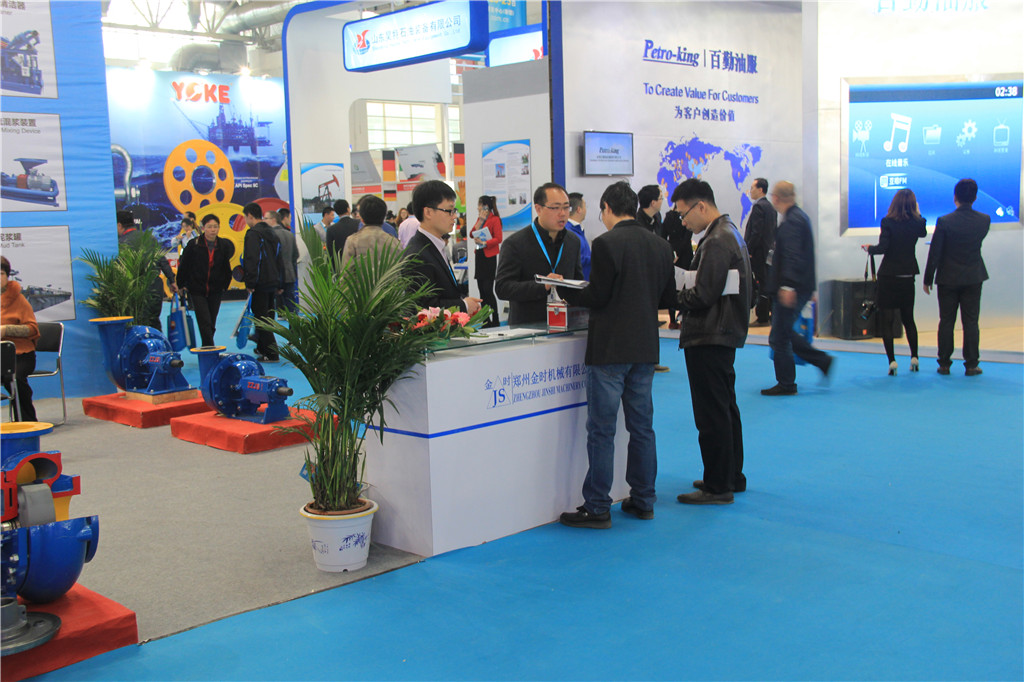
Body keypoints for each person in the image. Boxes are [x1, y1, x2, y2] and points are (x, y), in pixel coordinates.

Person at [557, 181, 675, 528]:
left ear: (607, 208)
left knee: (602, 430)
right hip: (645, 347)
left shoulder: (606, 243)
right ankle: (644, 499)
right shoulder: (661, 245)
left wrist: (566, 291)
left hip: (609, 348)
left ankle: (597, 506)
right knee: (642, 427)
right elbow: (668, 298)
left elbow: (598, 296)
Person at [672, 179, 752, 505]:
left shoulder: (717, 240)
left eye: (683, 214)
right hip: (721, 331)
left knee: (711, 413)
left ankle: (717, 485)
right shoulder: (728, 232)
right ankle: (730, 475)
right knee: (725, 406)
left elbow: (703, 294)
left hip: (709, 333)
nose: (683, 222)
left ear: (701, 206)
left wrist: (671, 295)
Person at [761, 181, 833, 395]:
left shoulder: (792, 221)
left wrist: (787, 286)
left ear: (776, 198)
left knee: (779, 336)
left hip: (792, 287)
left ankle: (787, 383)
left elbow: (792, 256)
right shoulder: (799, 217)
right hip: (798, 286)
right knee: (783, 332)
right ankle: (821, 361)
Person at [923, 178, 990, 376]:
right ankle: (971, 364)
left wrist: (928, 279)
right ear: (975, 197)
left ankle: (944, 364)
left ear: (955, 197)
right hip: (973, 277)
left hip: (948, 278)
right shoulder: (984, 220)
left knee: (946, 321)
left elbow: (935, 252)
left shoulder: (944, 221)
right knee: (971, 322)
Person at [494, 182, 583, 325]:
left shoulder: (573, 242)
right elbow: (502, 288)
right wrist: (543, 286)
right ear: (538, 209)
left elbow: (577, 281)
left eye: (566, 207)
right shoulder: (515, 243)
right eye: (555, 208)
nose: (562, 213)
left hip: (566, 325)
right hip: (527, 328)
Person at [861, 188, 927, 375]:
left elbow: (883, 248)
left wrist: (869, 248)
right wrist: (918, 213)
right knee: (909, 319)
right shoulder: (917, 223)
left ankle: (892, 362)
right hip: (907, 276)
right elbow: (922, 232)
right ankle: (914, 357)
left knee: (887, 321)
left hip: (889, 277)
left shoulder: (887, 222)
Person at [403, 180, 481, 314]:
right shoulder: (417, 254)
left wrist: (464, 301)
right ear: (428, 212)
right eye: (449, 211)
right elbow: (423, 307)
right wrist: (464, 305)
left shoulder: (435, 245)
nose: (455, 216)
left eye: (454, 211)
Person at [175, 214, 235, 347]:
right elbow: (184, 265)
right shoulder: (194, 244)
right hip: (197, 289)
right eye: (209, 227)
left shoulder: (223, 245)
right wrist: (181, 284)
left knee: (211, 322)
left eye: (215, 227)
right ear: (203, 228)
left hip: (215, 289)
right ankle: (209, 348)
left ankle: (207, 345)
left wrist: (225, 284)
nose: (213, 230)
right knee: (204, 321)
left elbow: (226, 266)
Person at [117, 209, 176, 330]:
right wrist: (172, 280)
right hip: (155, 286)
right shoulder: (150, 238)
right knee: (154, 322)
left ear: (119, 225)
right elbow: (162, 260)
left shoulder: (121, 243)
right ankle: (158, 342)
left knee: (138, 324)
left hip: (135, 289)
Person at [241, 202, 283, 362]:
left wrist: (250, 282)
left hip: (260, 282)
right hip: (272, 280)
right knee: (268, 316)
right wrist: (279, 282)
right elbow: (279, 258)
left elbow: (252, 259)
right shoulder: (272, 233)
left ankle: (272, 353)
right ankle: (262, 348)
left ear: (250, 216)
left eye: (246, 217)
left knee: (260, 318)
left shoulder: (253, 234)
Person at [1, 255, 39, 421]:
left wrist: (6, 330)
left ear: (7, 276)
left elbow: (32, 329)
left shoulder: (19, 299)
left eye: (1, 274)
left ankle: (27, 421)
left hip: (21, 355)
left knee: (14, 379)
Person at [744, 178, 777, 326]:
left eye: (752, 188)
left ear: (760, 189)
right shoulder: (771, 207)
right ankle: (769, 314)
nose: (750, 191)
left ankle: (762, 316)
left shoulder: (759, 207)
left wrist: (749, 250)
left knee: (759, 284)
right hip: (768, 252)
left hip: (758, 253)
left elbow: (756, 232)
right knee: (767, 282)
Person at [341, 195, 401, 268]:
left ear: (361, 218)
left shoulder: (352, 241)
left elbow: (347, 272)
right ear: (384, 216)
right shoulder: (394, 242)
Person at [470, 195, 503, 328]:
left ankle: (495, 319)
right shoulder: (481, 219)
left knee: (488, 290)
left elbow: (498, 238)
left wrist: (485, 242)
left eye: (480, 205)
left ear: (485, 206)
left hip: (489, 256)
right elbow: (471, 234)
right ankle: (486, 320)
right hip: (479, 255)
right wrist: (480, 221)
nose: (478, 208)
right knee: (481, 291)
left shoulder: (495, 220)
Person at [661, 202, 693, 330]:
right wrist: (678, 252)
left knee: (673, 285)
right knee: (685, 286)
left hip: (671, 252)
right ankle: (683, 318)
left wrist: (672, 252)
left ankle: (672, 320)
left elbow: (662, 236)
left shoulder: (668, 216)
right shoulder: (685, 217)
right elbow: (687, 237)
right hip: (684, 254)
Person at [267, 210, 299, 312]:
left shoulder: (270, 235)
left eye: (266, 218)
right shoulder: (289, 234)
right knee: (291, 302)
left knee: (272, 304)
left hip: (275, 275)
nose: (264, 221)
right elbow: (296, 255)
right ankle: (293, 321)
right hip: (290, 273)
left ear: (273, 219)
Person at [566, 192, 592, 280]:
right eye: (585, 206)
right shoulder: (568, 232)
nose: (586, 210)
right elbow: (574, 259)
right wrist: (597, 257)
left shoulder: (578, 230)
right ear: (579, 209)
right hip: (576, 283)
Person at [326, 199, 359, 265]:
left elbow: (330, 253)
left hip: (341, 266)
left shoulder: (331, 230)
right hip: (359, 264)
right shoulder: (359, 224)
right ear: (348, 209)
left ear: (336, 212)